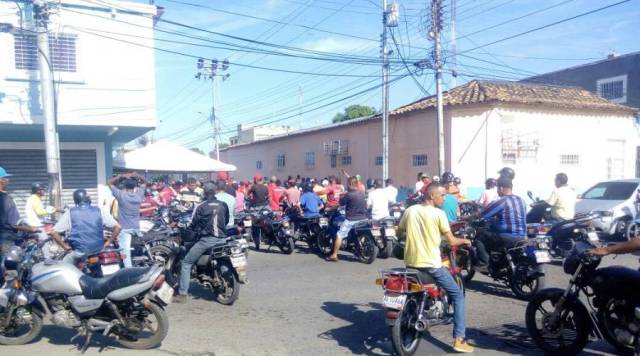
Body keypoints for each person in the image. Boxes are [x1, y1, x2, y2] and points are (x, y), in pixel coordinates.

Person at [397, 182, 474, 353]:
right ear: (432, 196)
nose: (445, 198)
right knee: (457, 295)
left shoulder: (410, 210)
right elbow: (452, 241)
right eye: (443, 195)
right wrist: (466, 241)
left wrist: (411, 234)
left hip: (410, 263)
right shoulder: (439, 214)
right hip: (431, 265)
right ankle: (460, 339)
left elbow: (399, 232)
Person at [174, 182, 229, 303]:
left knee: (186, 263)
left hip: (207, 240)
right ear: (215, 192)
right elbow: (227, 219)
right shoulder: (223, 204)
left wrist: (188, 232)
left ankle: (182, 294)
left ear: (204, 193)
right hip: (223, 238)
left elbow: (193, 224)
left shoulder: (201, 206)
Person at [51, 189, 121, 265]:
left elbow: (53, 232)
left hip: (80, 251)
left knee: (64, 266)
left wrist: (65, 247)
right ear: (88, 199)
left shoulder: (70, 212)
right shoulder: (99, 210)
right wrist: (108, 242)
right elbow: (118, 227)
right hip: (98, 250)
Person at [473, 177, 527, 268]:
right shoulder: (521, 200)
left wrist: (467, 218)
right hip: (523, 236)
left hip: (507, 237)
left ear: (501, 188)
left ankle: (485, 262)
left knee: (479, 237)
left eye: (497, 188)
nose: (497, 191)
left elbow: (483, 214)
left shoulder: (502, 201)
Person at [327, 176, 369, 262]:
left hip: (351, 219)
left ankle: (334, 255)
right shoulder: (361, 193)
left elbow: (341, 203)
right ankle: (358, 250)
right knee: (355, 233)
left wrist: (330, 207)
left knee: (339, 235)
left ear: (349, 184)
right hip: (363, 218)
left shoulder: (349, 195)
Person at [109, 172, 145, 267]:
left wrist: (120, 176)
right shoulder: (138, 195)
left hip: (125, 230)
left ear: (124, 186)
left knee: (125, 255)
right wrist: (138, 175)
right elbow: (144, 183)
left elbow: (110, 183)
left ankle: (128, 272)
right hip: (136, 228)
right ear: (135, 187)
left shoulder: (121, 196)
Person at [0, 167, 38, 254]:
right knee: (11, 264)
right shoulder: (6, 199)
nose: (8, 181)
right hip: (6, 240)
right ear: (1, 181)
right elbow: (15, 224)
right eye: (6, 178)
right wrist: (31, 229)